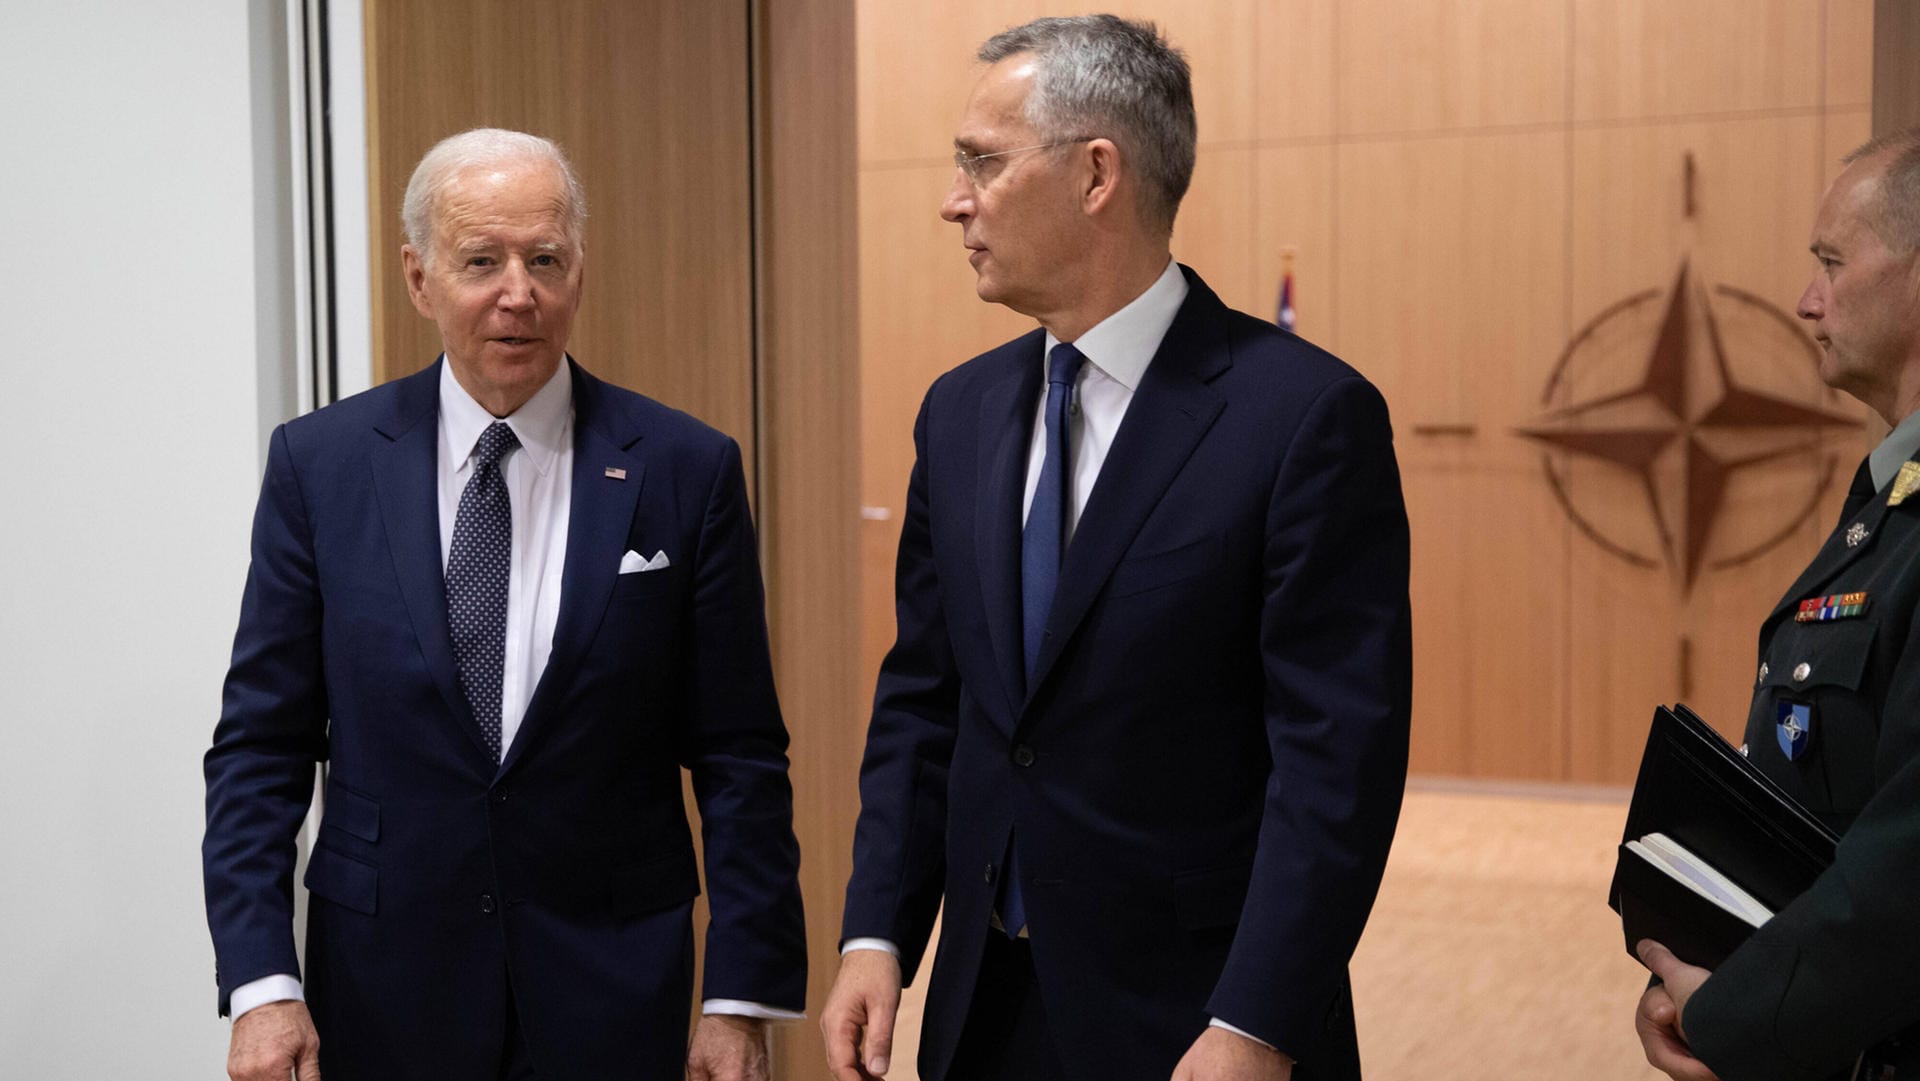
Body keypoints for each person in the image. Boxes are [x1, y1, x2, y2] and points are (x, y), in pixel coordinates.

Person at [821, 16, 1411, 1081]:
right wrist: (877, 930)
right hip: (984, 1012)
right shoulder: (957, 416)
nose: (955, 199)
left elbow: (1336, 768)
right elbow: (926, 700)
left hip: (1197, 1024)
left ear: (1098, 174)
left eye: (983, 163)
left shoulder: (1303, 419)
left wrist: (1259, 1021)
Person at [202, 128, 807, 1081]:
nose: (517, 292)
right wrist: (261, 984)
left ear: (579, 271)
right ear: (420, 277)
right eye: (481, 260)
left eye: (545, 259)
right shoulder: (321, 467)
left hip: (614, 986)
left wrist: (739, 999)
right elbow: (259, 748)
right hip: (383, 987)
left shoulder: (686, 470)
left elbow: (738, 754)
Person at [1636, 128, 1920, 1081]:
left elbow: (1908, 867)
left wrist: (1740, 1016)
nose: (1807, 300)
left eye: (1832, 264)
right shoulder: (1888, 504)